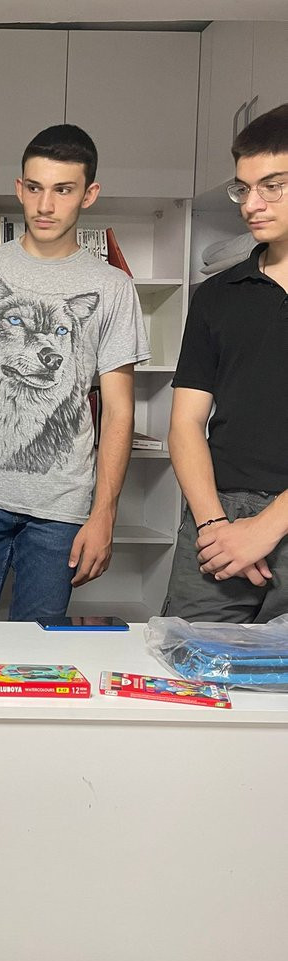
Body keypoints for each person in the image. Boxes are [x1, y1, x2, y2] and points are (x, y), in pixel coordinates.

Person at [0, 124, 149, 621]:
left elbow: (118, 412)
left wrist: (104, 514)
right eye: (34, 187)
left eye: (63, 190)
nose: (45, 205)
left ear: (89, 194)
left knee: (39, 648)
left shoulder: (112, 288)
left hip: (61, 508)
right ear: (19, 187)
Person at [164, 102, 288, 623]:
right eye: (244, 188)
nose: (251, 204)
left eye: (272, 186)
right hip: (219, 514)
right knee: (184, 662)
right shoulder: (217, 295)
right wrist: (214, 524)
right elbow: (185, 424)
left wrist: (267, 527)